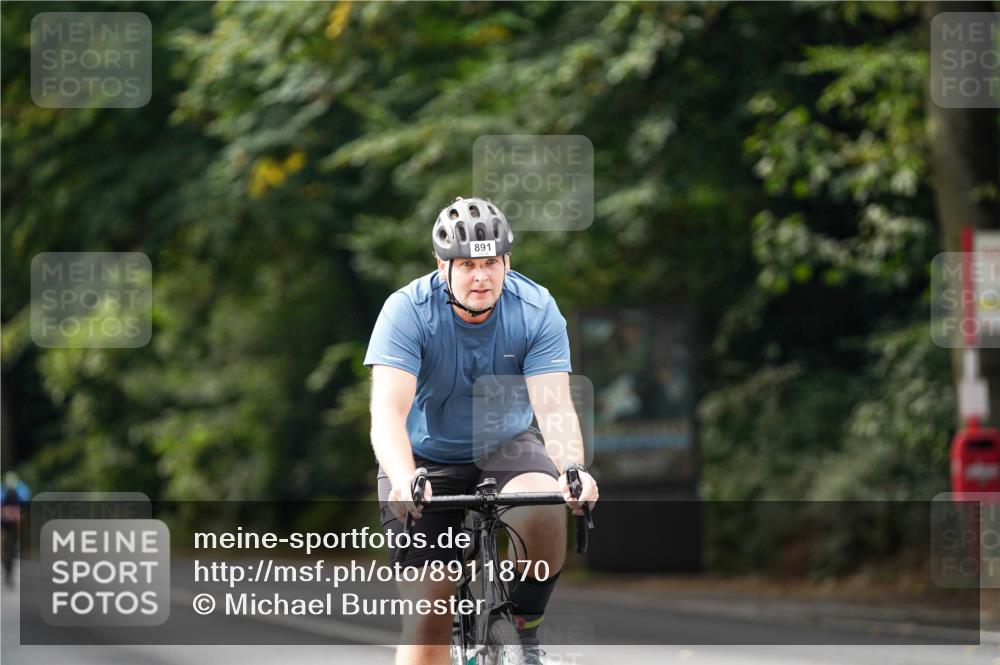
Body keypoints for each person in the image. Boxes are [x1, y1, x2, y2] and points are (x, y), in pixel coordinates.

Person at [365, 196, 599, 665]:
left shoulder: (535, 308)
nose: (481, 277)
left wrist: (572, 467)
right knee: (428, 615)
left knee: (544, 501)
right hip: (423, 459)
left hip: (506, 445)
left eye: (491, 262)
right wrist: (404, 476)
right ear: (442, 265)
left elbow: (553, 408)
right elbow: (388, 413)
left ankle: (524, 635)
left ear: (507, 261)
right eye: (468, 264)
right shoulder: (407, 311)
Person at [1, 471, 30, 587]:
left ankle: (8, 571)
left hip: (10, 525)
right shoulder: (20, 490)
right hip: (8, 525)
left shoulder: (18, 490)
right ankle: (8, 570)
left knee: (9, 548)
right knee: (8, 548)